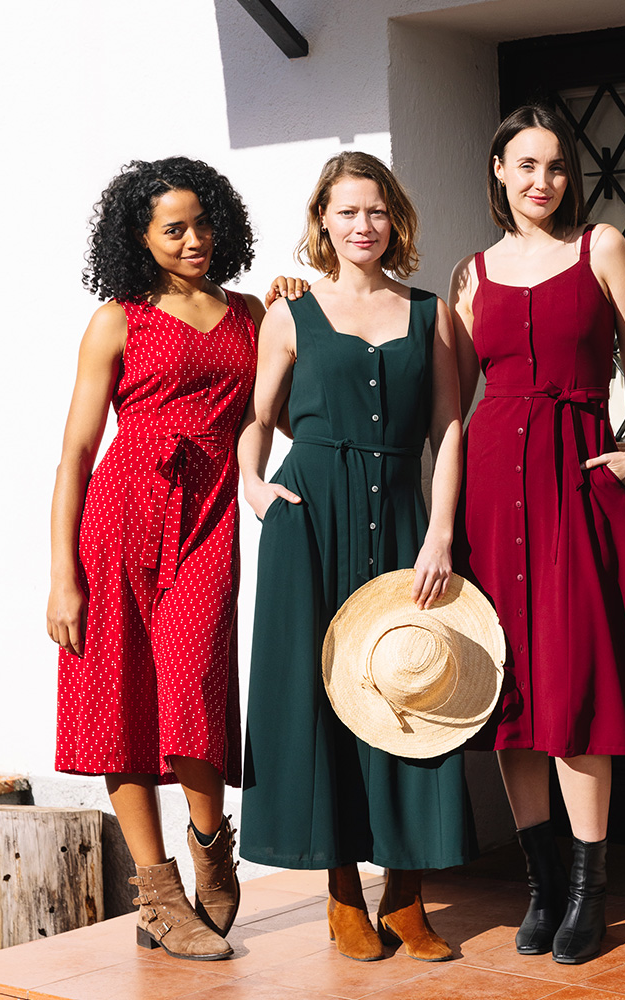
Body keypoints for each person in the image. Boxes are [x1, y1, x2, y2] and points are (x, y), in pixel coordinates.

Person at [46, 157, 300, 960]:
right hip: (120, 518)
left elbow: (283, 410)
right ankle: (157, 895)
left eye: (204, 222)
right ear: (140, 237)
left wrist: (299, 317)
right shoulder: (117, 320)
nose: (195, 240)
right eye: (174, 229)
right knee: (119, 701)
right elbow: (76, 453)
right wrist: (62, 576)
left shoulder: (250, 313)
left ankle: (211, 850)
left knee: (194, 685)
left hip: (208, 516)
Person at [238, 151, 472, 964]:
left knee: (412, 690)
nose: (362, 225)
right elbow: (256, 418)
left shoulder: (430, 313)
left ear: (392, 218)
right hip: (308, 523)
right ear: (323, 221)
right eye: (346, 211)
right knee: (319, 695)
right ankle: (341, 892)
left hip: (403, 520)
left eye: (374, 210)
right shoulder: (288, 314)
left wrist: (440, 532)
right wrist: (254, 487)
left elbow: (448, 427)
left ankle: (406, 897)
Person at [450, 104, 625, 965]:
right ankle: (540, 885)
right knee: (512, 692)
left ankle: (587, 890)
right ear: (499, 171)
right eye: (526, 164)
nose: (543, 181)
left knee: (575, 684)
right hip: (494, 491)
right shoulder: (471, 274)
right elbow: (450, 402)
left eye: (557, 166)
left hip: (577, 482)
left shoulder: (600, 247)